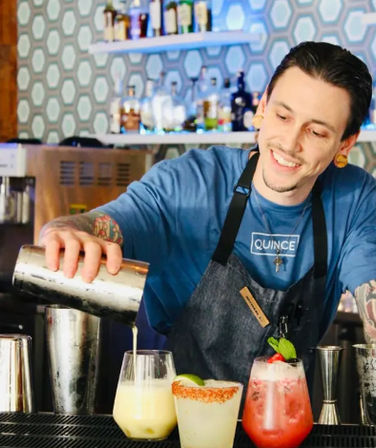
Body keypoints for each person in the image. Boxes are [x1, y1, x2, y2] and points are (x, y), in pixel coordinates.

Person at [40, 41, 376, 393]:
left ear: (345, 144)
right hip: (178, 422)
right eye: (282, 116)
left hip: (287, 427)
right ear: (262, 107)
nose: (290, 143)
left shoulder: (354, 200)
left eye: (317, 131)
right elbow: (103, 224)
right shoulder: (189, 184)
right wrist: (66, 231)